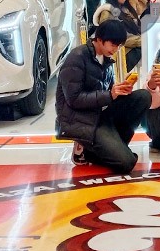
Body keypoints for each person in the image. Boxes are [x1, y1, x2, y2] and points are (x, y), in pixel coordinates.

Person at [54, 19, 151, 173]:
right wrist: (110, 95)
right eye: (113, 44)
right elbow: (74, 99)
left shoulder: (107, 59)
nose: (116, 49)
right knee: (126, 163)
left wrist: (120, 89)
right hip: (80, 120)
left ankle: (113, 147)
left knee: (143, 97)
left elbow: (107, 92)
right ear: (99, 39)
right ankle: (87, 149)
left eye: (119, 46)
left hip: (101, 115)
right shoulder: (77, 57)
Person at [94, 0, 142, 70]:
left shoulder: (126, 9)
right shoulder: (107, 13)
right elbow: (113, 38)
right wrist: (141, 41)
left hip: (129, 48)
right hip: (119, 54)